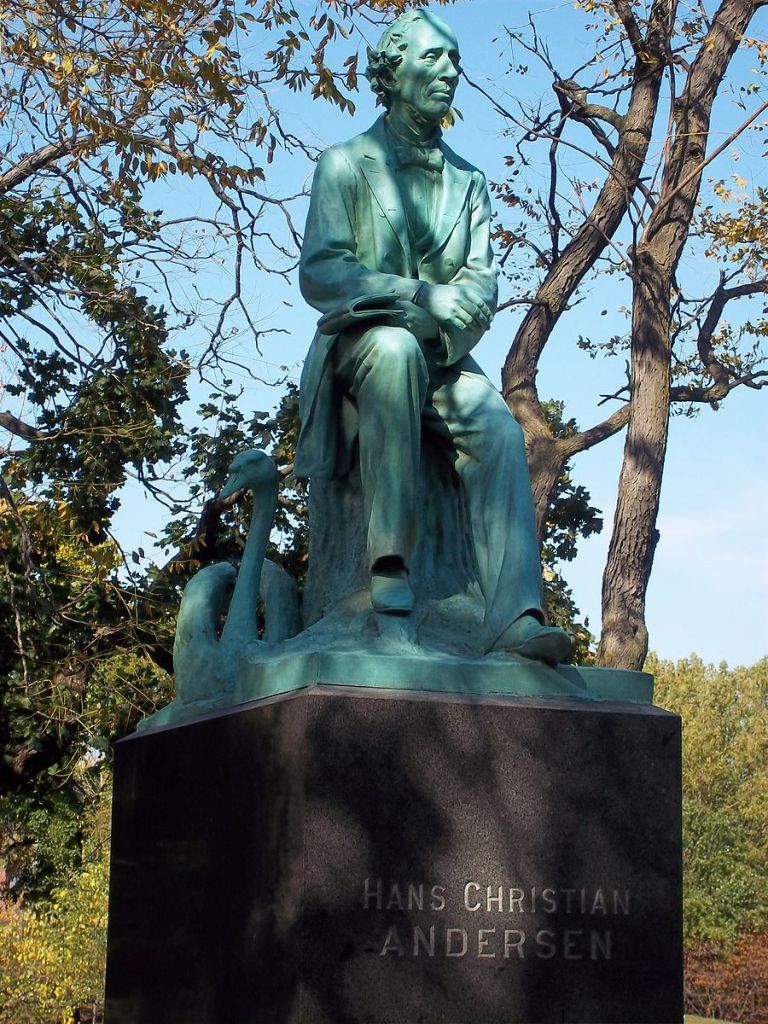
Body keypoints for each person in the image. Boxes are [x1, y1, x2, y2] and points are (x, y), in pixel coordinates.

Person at [294, 10, 571, 664]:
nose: (450, 71)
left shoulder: (470, 182)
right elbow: (322, 271)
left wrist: (440, 324)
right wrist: (414, 297)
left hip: (442, 355)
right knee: (394, 351)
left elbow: (480, 288)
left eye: (455, 61)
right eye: (433, 59)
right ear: (393, 74)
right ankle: (389, 572)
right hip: (362, 348)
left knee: (500, 429)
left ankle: (515, 619)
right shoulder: (344, 164)